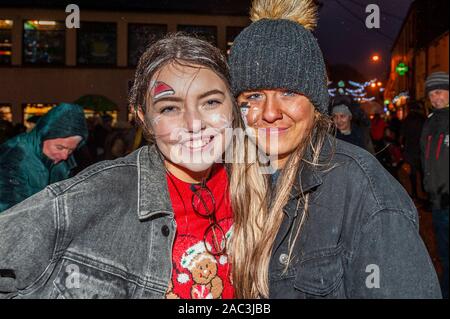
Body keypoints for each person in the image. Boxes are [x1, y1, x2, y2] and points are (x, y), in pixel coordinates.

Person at [228, 0, 441, 299]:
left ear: (315, 105)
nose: (271, 112)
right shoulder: (224, 179)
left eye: (289, 92)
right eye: (254, 95)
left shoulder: (363, 190)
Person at [0, 34, 237, 299]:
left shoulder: (256, 188)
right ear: (143, 118)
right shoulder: (96, 196)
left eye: (211, 102)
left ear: (233, 105)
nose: (194, 123)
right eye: (169, 108)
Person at [0, 103, 88, 213]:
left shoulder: (60, 161)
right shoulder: (13, 156)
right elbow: (8, 213)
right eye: (59, 147)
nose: (65, 156)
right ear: (43, 136)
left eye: (71, 150)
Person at [420, 71, 449, 298]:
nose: (435, 97)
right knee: (444, 252)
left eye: (439, 91)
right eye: (431, 94)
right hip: (437, 200)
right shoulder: (429, 122)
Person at [400, 101, 426, 200]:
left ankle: (415, 193)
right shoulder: (422, 119)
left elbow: (402, 136)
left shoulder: (407, 120)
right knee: (423, 171)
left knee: (413, 172)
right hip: (421, 148)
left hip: (410, 149)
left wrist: (402, 146)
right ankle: (424, 191)